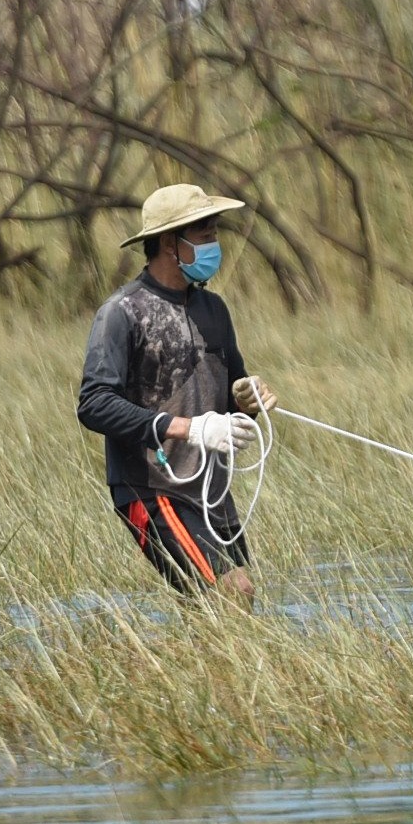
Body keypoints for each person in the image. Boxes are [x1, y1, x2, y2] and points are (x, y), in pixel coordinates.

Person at [77, 183, 277, 603]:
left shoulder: (214, 310)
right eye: (205, 236)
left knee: (217, 607)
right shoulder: (122, 312)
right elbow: (94, 405)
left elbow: (226, 408)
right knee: (234, 593)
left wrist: (246, 402)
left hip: (211, 489)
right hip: (150, 489)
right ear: (171, 242)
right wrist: (186, 428)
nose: (215, 246)